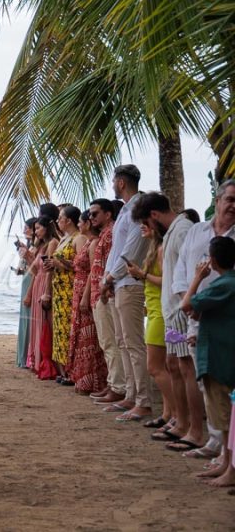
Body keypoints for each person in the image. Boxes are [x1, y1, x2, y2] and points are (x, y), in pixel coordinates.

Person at [170, 180, 235, 453]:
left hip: (225, 318)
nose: (233, 205)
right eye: (230, 199)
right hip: (195, 313)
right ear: (217, 200)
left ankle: (225, 448)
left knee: (223, 382)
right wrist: (186, 304)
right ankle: (214, 441)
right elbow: (182, 267)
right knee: (203, 378)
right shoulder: (197, 231)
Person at [130, 192, 197, 439]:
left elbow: (189, 274)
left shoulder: (181, 231)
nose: (147, 229)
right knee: (174, 366)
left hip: (179, 310)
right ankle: (178, 419)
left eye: (147, 223)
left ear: (154, 216)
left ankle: (186, 423)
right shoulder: (171, 233)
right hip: (170, 310)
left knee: (184, 368)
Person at [180, 236, 235, 487]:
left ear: (211, 260)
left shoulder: (223, 284)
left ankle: (230, 467)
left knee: (222, 415)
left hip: (218, 357)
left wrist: (197, 278)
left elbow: (186, 304)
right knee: (223, 416)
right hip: (222, 352)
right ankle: (226, 462)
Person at [102, 165, 151, 422]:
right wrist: (108, 279)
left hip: (129, 283)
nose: (112, 184)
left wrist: (110, 276)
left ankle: (143, 400)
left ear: (121, 182)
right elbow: (116, 249)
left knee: (133, 344)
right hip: (119, 284)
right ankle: (131, 396)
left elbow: (130, 250)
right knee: (122, 342)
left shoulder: (136, 209)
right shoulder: (126, 210)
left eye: (114, 180)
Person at [125, 216, 174, 429]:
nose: (142, 227)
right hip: (153, 310)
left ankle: (175, 414)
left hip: (160, 312)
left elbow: (167, 281)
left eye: (146, 223)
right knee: (161, 367)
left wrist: (142, 274)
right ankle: (168, 413)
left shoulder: (162, 249)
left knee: (155, 367)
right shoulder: (154, 248)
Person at [88, 199, 125, 405]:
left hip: (105, 293)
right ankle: (114, 383)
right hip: (99, 292)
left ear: (108, 214)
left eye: (95, 214)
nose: (91, 218)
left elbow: (112, 265)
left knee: (111, 342)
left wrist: (104, 290)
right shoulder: (105, 234)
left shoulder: (111, 234)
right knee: (108, 342)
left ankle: (117, 386)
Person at [68, 210, 107, 394]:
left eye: (81, 222)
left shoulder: (93, 244)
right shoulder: (89, 243)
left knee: (89, 339)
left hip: (86, 289)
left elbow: (93, 271)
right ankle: (83, 378)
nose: (79, 225)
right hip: (79, 289)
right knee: (82, 336)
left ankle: (92, 380)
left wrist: (85, 296)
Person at [49, 205, 85, 383]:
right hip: (59, 290)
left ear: (69, 220)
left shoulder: (79, 238)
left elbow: (81, 265)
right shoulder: (65, 238)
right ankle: (63, 371)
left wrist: (61, 264)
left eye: (60, 217)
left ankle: (71, 372)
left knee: (68, 330)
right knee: (60, 331)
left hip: (70, 289)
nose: (58, 221)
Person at [26, 216, 59, 379]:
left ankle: (45, 361)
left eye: (38, 228)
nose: (35, 231)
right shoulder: (42, 246)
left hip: (44, 284)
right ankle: (37, 360)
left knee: (44, 323)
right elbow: (33, 270)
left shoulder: (52, 243)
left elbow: (48, 270)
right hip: (39, 281)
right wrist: (26, 256)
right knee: (37, 323)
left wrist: (47, 291)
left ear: (47, 227)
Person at [15, 218, 37, 368]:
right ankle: (23, 357)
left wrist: (26, 255)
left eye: (26, 228)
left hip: (32, 282)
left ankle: (27, 358)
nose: (24, 231)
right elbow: (25, 268)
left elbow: (36, 268)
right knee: (24, 320)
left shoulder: (37, 247)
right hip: (26, 279)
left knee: (29, 319)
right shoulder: (31, 246)